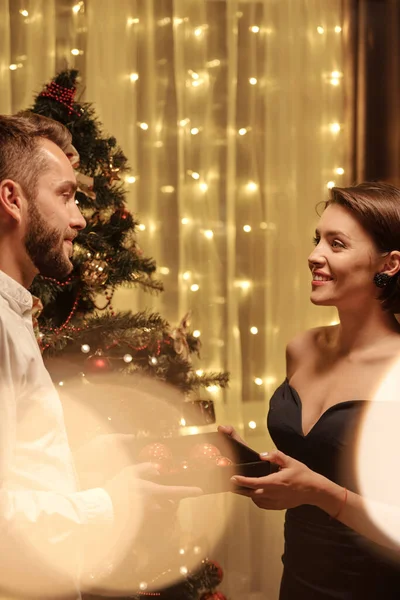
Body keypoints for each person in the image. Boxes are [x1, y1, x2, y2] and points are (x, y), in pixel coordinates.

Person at [0, 114, 201, 600]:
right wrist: (111, 504)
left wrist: (106, 455)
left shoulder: (15, 312)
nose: (81, 219)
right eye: (65, 195)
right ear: (12, 199)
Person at [219, 182, 400, 599]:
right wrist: (249, 462)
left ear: (388, 264)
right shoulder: (301, 349)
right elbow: (316, 460)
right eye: (317, 239)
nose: (314, 255)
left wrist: (320, 493)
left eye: (336, 244)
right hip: (300, 579)